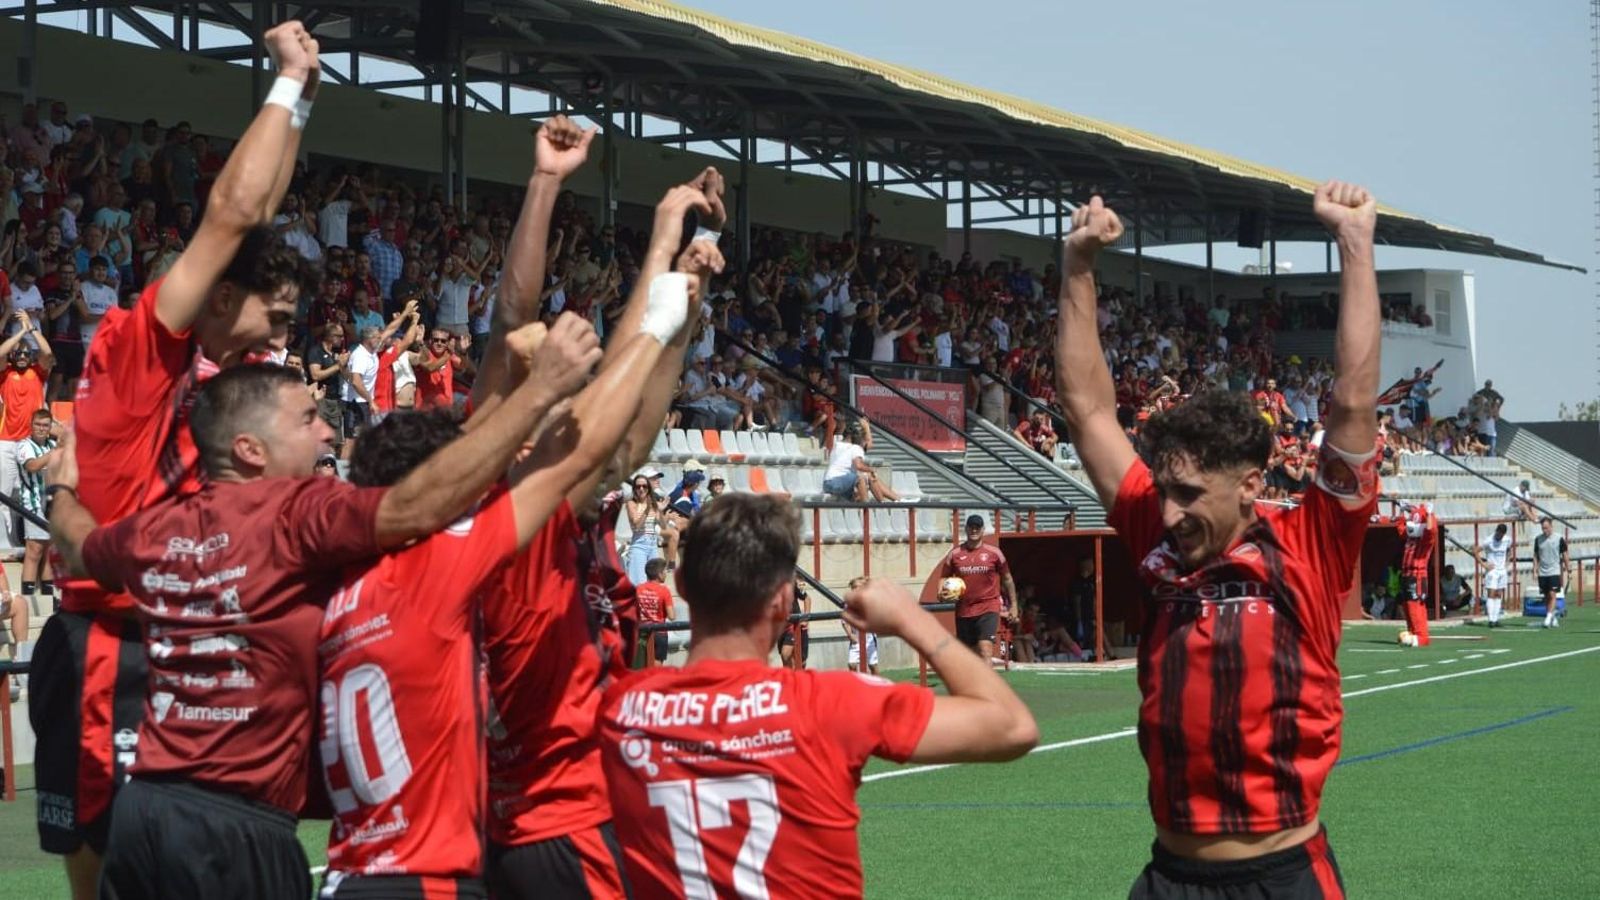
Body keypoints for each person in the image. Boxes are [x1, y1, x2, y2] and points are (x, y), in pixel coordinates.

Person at [48, 313, 600, 899]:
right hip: (239, 827)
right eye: (308, 420)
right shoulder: (298, 514)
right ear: (250, 449)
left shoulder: (158, 531)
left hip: (144, 810)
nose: (326, 435)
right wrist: (539, 389)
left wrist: (62, 486)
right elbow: (419, 496)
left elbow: (77, 545)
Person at [29, 23, 324, 899]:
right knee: (111, 875)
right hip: (105, 646)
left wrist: (303, 105)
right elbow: (232, 217)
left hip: (174, 639)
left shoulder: (218, 371)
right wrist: (285, 79)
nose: (279, 343)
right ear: (221, 298)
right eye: (272, 321)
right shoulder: (137, 356)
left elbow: (256, 220)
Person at [1056, 184, 1381, 898]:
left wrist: (1355, 244)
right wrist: (1077, 264)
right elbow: (1086, 410)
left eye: (1191, 496)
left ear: (1250, 487)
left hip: (1284, 876)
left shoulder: (1312, 543)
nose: (1168, 514)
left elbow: (1354, 401)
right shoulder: (1157, 533)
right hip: (1169, 879)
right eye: (1165, 491)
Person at [318, 297, 673, 899]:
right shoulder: (450, 566)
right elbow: (589, 451)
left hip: (355, 870)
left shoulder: (343, 590)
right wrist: (656, 315)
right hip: (455, 864)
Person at [475, 142, 711, 899]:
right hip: (555, 821)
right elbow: (521, 320)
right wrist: (663, 252)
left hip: (505, 811)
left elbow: (632, 417)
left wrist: (680, 288)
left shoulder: (529, 495)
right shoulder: (510, 499)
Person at [597, 495, 1037, 898]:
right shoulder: (831, 702)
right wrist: (911, 619)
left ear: (683, 586)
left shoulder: (618, 709)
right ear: (784, 600)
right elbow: (1011, 725)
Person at [939, 515, 1016, 664]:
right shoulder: (955, 554)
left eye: (977, 527)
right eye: (971, 527)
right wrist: (940, 592)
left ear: (982, 530)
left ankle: (987, 687)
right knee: (970, 654)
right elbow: (943, 577)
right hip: (964, 610)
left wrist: (1014, 605)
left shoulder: (994, 553)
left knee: (985, 648)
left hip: (988, 607)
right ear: (966, 529)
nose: (974, 530)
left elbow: (1008, 579)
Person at [15, 409, 59, 617]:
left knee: (48, 554)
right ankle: (27, 600)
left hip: (52, 506)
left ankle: (49, 600)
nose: (42, 429)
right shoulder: (24, 446)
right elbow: (32, 466)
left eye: (46, 425)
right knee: (33, 552)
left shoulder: (52, 445)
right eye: (38, 425)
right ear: (31, 426)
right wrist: (56, 452)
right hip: (32, 505)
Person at [822, 419, 898, 502]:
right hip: (837, 482)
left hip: (828, 484)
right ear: (851, 437)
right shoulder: (855, 448)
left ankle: (889, 501)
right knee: (861, 477)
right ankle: (869, 506)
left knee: (860, 489)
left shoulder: (836, 445)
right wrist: (867, 428)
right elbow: (859, 465)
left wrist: (865, 430)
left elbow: (866, 445)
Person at [1397, 503, 1436, 647]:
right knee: (1407, 605)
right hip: (1407, 573)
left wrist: (1430, 514)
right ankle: (1412, 631)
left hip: (1417, 575)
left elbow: (1431, 531)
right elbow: (1401, 530)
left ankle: (1421, 636)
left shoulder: (1425, 540)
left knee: (1415, 605)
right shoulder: (1411, 537)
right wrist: (1402, 513)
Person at [636, 557, 676, 665]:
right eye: (664, 571)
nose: (666, 574)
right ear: (659, 574)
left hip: (642, 632)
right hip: (660, 633)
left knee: (642, 665)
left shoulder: (638, 589)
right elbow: (672, 616)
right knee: (656, 668)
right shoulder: (664, 590)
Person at [1533, 517, 1568, 629]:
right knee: (1546, 596)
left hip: (1554, 570)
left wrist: (1568, 568)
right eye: (1543, 528)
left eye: (1546, 528)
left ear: (1551, 527)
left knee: (1552, 594)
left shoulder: (1559, 538)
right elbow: (1536, 556)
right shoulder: (1538, 539)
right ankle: (1552, 617)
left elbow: (1565, 554)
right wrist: (1534, 570)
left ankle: (1547, 618)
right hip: (1542, 572)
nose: (1545, 530)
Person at [842, 574, 881, 674]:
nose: (854, 590)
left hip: (869, 636)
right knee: (852, 664)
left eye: (856, 587)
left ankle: (877, 685)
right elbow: (844, 621)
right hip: (856, 636)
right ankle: (857, 685)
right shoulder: (849, 603)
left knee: (872, 664)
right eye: (853, 588)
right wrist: (850, 634)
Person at [1476, 523, 1512, 627]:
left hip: (1502, 571)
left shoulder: (1507, 540)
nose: (1499, 535)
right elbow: (1476, 551)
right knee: (1491, 593)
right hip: (1492, 571)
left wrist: (1507, 562)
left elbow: (1509, 550)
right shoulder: (1488, 540)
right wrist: (1483, 564)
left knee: (1499, 594)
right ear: (1496, 531)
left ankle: (1496, 619)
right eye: (1498, 533)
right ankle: (1491, 619)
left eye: (1501, 534)